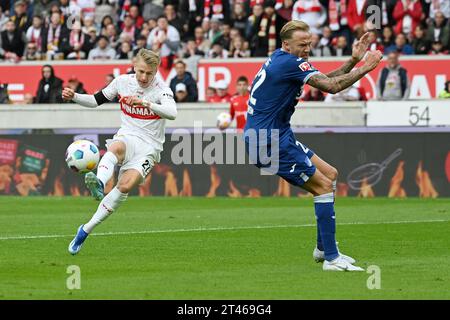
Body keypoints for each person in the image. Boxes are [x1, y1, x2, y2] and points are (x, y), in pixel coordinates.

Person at [244, 20, 382, 271]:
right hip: (268, 140)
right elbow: (333, 86)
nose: (307, 48)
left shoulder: (282, 59)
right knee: (323, 186)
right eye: (302, 45)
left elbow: (324, 79)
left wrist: (352, 61)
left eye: (309, 44)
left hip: (276, 135)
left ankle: (323, 248)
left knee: (329, 174)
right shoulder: (289, 62)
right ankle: (331, 258)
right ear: (286, 44)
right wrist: (366, 67)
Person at [63, 49, 177, 255]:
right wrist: (75, 96)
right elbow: (96, 100)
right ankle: (99, 182)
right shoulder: (122, 82)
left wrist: (146, 103)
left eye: (149, 73)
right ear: (134, 66)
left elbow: (173, 113)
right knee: (116, 147)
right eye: (141, 71)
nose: (144, 77)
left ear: (156, 71)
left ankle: (85, 230)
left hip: (150, 148)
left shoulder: (162, 90)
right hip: (128, 135)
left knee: (125, 186)